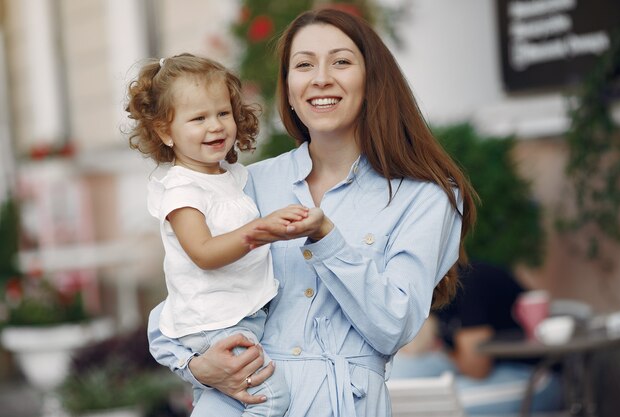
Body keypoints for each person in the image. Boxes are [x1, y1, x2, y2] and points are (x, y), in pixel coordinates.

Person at [147, 8, 477, 417]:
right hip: (246, 399)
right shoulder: (247, 184)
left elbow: (394, 327)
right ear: (287, 86)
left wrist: (327, 239)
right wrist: (197, 367)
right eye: (304, 65)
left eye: (341, 61)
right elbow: (185, 300)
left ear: (372, 78)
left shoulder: (426, 196)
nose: (321, 78)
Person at [125, 53, 316, 416]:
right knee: (270, 400)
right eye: (198, 118)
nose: (215, 126)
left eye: (223, 113)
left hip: (238, 316)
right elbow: (204, 252)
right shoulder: (182, 190)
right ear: (165, 131)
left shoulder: (231, 178)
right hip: (214, 322)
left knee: (226, 404)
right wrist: (260, 231)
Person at [390, 261, 563, 415]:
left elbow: (476, 368)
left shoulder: (469, 282)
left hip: (535, 376)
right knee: (389, 384)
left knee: (434, 404)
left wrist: (441, 351)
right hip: (471, 369)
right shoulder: (424, 288)